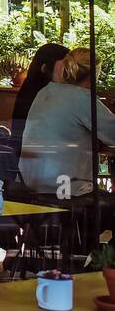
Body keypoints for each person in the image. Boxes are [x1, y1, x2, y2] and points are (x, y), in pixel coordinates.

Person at [20, 48, 115, 199]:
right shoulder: (83, 98)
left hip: (30, 184)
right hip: (65, 187)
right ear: (94, 73)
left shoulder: (45, 92)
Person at [10, 43, 68, 138]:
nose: (69, 70)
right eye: (65, 65)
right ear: (45, 67)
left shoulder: (33, 89)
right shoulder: (38, 95)